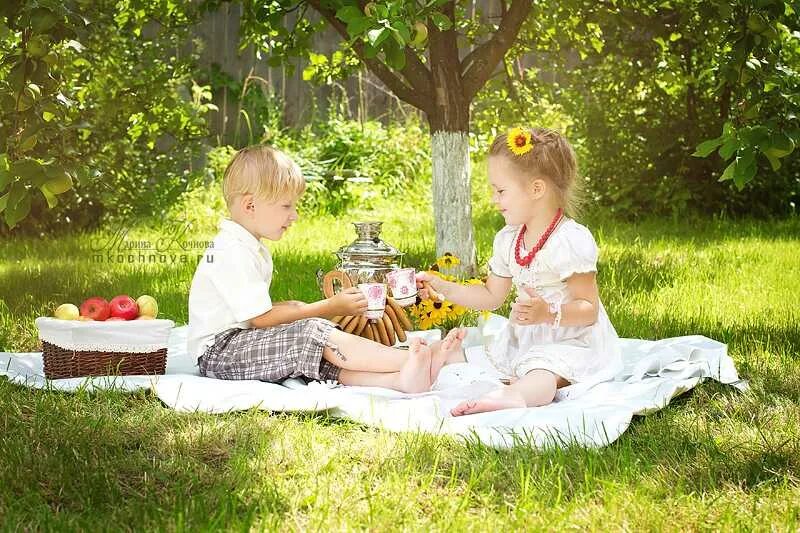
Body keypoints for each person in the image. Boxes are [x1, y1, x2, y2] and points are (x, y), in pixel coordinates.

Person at [187, 145, 464, 393]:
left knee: (316, 354)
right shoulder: (232, 250)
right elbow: (260, 319)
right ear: (250, 205)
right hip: (221, 353)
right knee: (312, 332)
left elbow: (252, 313)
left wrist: (298, 308)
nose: (293, 215)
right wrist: (328, 306)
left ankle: (400, 380)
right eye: (286, 206)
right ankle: (416, 359)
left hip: (238, 343)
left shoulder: (248, 246)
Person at [417, 127, 622, 416]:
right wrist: (444, 287)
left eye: (500, 191)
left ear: (537, 189)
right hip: (528, 334)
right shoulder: (509, 238)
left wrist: (547, 313)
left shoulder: (568, 241)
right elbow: (491, 297)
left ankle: (514, 395)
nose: (494, 199)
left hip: (573, 339)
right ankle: (458, 360)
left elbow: (589, 309)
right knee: (495, 357)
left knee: (542, 373)